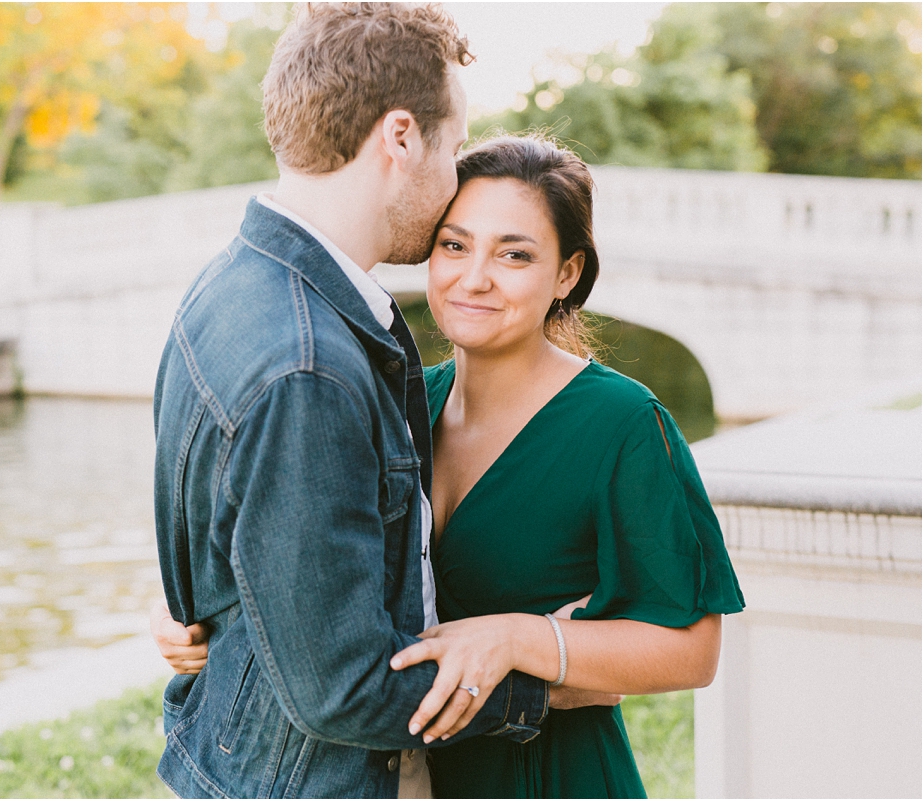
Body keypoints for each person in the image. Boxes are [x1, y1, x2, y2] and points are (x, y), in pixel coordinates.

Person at [154, 133, 745, 798]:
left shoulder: (624, 424)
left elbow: (692, 647)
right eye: (454, 245)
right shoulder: (398, 400)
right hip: (409, 773)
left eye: (514, 254)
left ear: (567, 273)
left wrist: (521, 636)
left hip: (550, 775)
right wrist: (210, 616)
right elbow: (307, 555)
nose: (474, 277)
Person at [150, 6, 594, 799]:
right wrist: (548, 686)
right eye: (453, 148)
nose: (454, 177)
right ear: (399, 137)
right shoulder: (308, 363)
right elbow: (343, 690)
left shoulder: (230, 285)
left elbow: (235, 537)